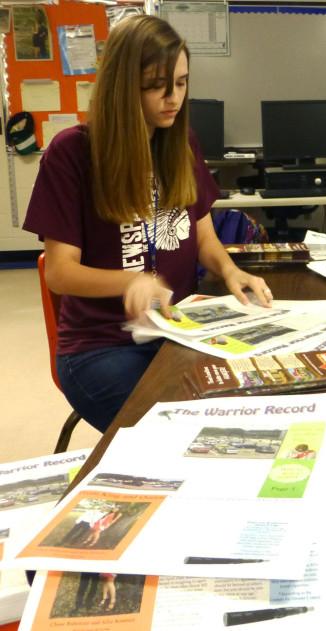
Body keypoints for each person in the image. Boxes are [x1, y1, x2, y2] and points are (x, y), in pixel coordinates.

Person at [23, 16, 273, 433]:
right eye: (156, 85)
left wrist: (230, 270)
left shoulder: (182, 141)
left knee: (250, 412)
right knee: (182, 435)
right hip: (101, 346)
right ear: (123, 86)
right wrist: (130, 281)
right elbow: (60, 271)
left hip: (178, 332)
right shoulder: (73, 153)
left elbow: (204, 235)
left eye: (181, 82)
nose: (172, 98)